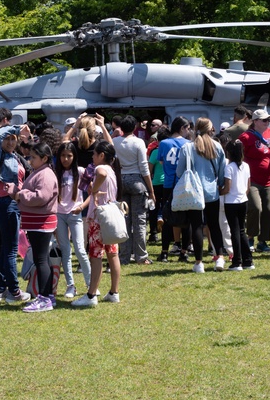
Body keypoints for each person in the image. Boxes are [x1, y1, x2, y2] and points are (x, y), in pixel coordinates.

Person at [72, 142, 122, 307]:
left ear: (102, 156)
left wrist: (94, 189)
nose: (92, 157)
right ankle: (114, 292)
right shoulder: (113, 171)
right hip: (111, 217)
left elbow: (100, 173)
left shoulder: (103, 169)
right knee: (112, 255)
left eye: (95, 154)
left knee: (96, 256)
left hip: (98, 219)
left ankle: (91, 294)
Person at [0, 124, 33, 305]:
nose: (12, 142)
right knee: (12, 250)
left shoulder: (15, 156)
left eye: (14, 138)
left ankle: (0, 289)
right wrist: (16, 127)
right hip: (6, 204)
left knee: (6, 248)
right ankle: (14, 290)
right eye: (9, 138)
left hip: (13, 204)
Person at [14, 142, 59, 312]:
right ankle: (48, 296)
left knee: (41, 260)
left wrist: (20, 195)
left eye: (33, 157)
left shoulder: (45, 174)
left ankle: (44, 298)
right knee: (43, 259)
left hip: (41, 222)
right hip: (37, 221)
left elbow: (41, 197)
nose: (30, 160)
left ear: (44, 158)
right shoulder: (41, 172)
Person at [178, 118, 226, 273]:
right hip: (212, 191)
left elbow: (180, 172)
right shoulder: (217, 146)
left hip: (193, 192)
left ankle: (199, 262)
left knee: (196, 226)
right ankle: (219, 256)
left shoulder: (187, 147)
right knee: (214, 225)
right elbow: (221, 171)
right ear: (210, 129)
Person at [112, 115, 156, 266]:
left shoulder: (115, 142)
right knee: (139, 221)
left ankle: (124, 256)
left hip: (121, 181)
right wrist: (151, 190)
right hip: (137, 181)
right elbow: (144, 167)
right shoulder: (138, 142)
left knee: (124, 221)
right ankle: (141, 256)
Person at [55, 141, 91, 298]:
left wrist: (81, 207)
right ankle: (71, 285)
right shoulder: (55, 172)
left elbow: (92, 193)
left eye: (69, 156)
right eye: (63, 155)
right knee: (65, 251)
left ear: (74, 156)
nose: (65, 159)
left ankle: (91, 284)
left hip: (75, 214)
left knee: (80, 249)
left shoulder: (81, 172)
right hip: (59, 214)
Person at [240, 109, 270, 252]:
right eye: (264, 120)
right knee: (256, 208)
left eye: (268, 120)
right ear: (255, 121)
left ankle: (263, 241)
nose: (267, 122)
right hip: (252, 179)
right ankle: (250, 238)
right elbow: (238, 154)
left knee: (267, 210)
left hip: (267, 178)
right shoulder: (246, 137)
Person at [157, 117, 191, 262]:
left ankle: (164, 252)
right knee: (187, 218)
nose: (188, 131)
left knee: (167, 217)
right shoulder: (189, 144)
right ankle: (183, 252)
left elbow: (161, 161)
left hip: (168, 184)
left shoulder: (164, 143)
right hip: (183, 184)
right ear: (182, 128)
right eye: (187, 128)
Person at [222, 139, 253, 271]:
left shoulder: (229, 168)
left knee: (234, 231)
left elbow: (227, 188)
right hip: (243, 200)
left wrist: (218, 191)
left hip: (231, 202)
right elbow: (248, 186)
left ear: (228, 153)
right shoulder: (246, 166)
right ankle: (248, 261)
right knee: (241, 230)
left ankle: (237, 261)